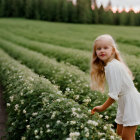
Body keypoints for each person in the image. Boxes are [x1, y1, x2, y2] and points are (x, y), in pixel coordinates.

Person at [90, 34, 140, 140]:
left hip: (130, 101)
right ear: (95, 53)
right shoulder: (110, 66)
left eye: (105, 48)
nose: (102, 50)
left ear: (112, 50)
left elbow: (114, 94)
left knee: (127, 137)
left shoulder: (113, 67)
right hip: (124, 101)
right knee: (120, 133)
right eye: (98, 49)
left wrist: (102, 107)